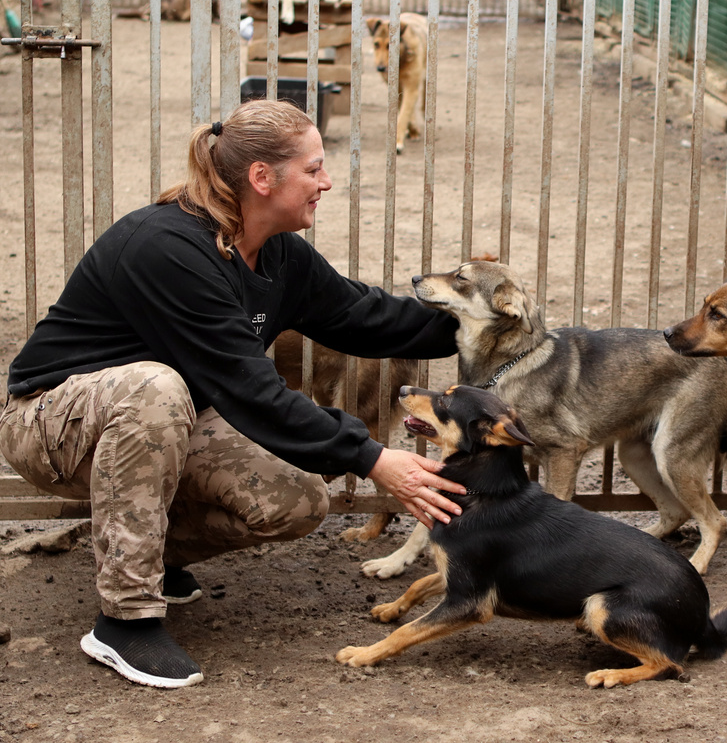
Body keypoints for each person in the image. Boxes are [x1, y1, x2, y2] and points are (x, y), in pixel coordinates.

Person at [0, 99, 464, 689]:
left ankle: (152, 555)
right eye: (314, 169)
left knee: (298, 499)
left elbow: (367, 317)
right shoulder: (168, 247)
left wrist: (485, 329)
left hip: (163, 421)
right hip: (51, 422)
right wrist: (374, 458)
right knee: (155, 386)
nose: (326, 182)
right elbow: (250, 389)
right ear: (262, 178)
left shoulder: (277, 253)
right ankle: (125, 616)